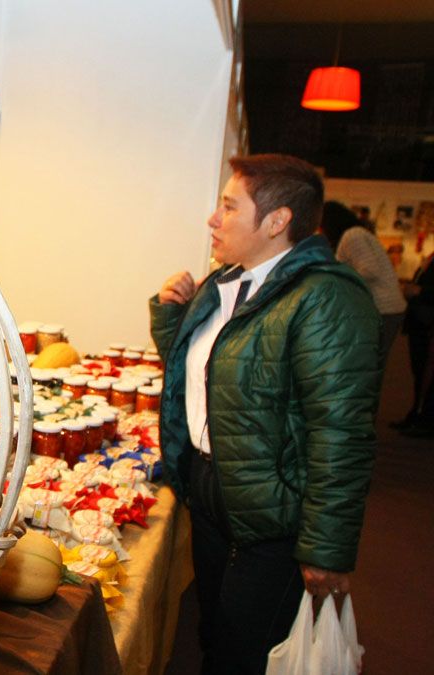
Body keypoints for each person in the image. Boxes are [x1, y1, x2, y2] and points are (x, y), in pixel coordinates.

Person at [150, 154, 381, 674]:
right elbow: (215, 380)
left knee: (245, 652)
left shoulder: (326, 299)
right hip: (213, 493)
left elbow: (340, 434)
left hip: (273, 519)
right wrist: (171, 317)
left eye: (229, 207)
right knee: (215, 632)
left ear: (277, 222)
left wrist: (327, 548)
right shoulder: (227, 283)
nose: (213, 219)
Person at [320, 200, 406, 368]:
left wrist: (338, 277)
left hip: (382, 308)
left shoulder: (352, 235)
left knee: (368, 365)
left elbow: (369, 270)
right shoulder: (357, 234)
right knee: (370, 364)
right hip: (386, 308)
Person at [398, 250, 434, 436]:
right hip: (419, 322)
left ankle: (425, 419)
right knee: (419, 371)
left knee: (426, 372)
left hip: (427, 322)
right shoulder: (430, 256)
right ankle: (416, 414)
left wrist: (420, 291)